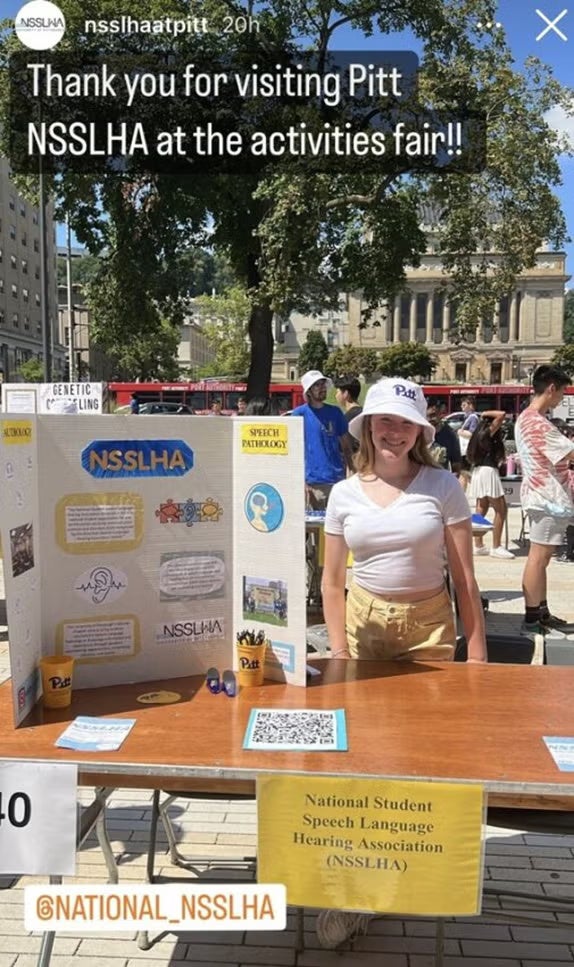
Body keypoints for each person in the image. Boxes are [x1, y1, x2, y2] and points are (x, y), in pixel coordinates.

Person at [317, 377, 486, 950]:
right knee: (359, 760)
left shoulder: (442, 486)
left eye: (405, 422)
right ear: (367, 428)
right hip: (364, 630)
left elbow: (465, 580)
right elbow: (332, 580)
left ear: (420, 432)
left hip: (429, 631)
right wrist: (338, 650)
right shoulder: (344, 493)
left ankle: (409, 869)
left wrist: (478, 657)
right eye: (383, 421)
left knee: (419, 757)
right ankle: (352, 891)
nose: (393, 431)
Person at [515, 364, 574, 635]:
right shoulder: (537, 423)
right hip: (547, 498)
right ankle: (531, 619)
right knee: (538, 558)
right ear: (551, 388)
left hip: (542, 497)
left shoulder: (526, 418)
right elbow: (569, 454)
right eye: (562, 392)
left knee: (543, 559)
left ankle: (541, 611)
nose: (562, 398)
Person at [291, 370, 352, 510]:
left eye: (323, 384)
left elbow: (346, 444)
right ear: (309, 391)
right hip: (312, 483)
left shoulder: (335, 412)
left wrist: (351, 471)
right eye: (316, 385)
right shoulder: (299, 414)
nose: (322, 388)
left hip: (338, 481)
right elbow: (293, 452)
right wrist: (301, 482)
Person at [466, 410, 514, 559]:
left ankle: (478, 544)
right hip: (488, 471)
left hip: (479, 471)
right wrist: (485, 413)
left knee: (482, 507)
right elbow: (501, 414)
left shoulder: (478, 435)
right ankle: (496, 546)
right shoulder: (488, 433)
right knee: (501, 509)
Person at [426, 400, 462, 473]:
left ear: (440, 414)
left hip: (440, 481)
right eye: (427, 416)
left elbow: (456, 464)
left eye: (433, 415)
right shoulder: (418, 433)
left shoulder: (450, 435)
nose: (429, 419)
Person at [457, 395, 480, 460]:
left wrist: (460, 432)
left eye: (464, 405)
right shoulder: (467, 417)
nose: (461, 407)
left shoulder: (473, 418)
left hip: (469, 448)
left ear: (471, 406)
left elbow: (472, 434)